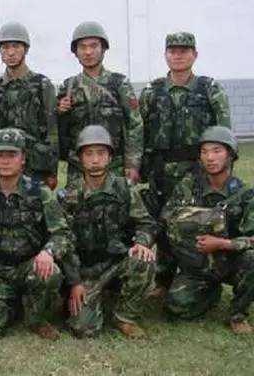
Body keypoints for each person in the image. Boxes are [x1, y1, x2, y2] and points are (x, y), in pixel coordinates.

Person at [0, 128, 71, 339]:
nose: (5, 161)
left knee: (50, 272)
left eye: (12, 155)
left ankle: (36, 319)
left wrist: (48, 252)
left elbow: (61, 233)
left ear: (23, 158)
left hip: (28, 266)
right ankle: (12, 306)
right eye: (0, 155)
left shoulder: (40, 192)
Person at [140, 32, 231, 295]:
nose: (178, 56)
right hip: (161, 170)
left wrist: (222, 170)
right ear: (165, 55)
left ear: (195, 54)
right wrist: (139, 166)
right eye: (173, 51)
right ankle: (163, 279)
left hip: (198, 170)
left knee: (199, 222)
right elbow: (139, 131)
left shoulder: (210, 89)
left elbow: (224, 134)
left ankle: (202, 277)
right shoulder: (152, 91)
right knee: (163, 222)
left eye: (184, 51)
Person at [59, 125, 156, 338]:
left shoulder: (125, 188)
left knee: (143, 259)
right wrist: (75, 282)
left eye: (101, 153)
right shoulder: (70, 196)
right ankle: (94, 297)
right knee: (84, 329)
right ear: (80, 159)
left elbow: (146, 223)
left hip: (117, 263)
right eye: (89, 154)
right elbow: (63, 240)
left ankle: (125, 317)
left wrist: (141, 242)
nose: (95, 160)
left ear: (110, 157)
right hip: (86, 270)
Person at [161, 126, 254, 334]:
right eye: (204, 152)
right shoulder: (188, 186)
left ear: (230, 155)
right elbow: (166, 216)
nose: (210, 158)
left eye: (216, 151)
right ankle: (210, 291)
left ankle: (238, 315)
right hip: (197, 265)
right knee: (175, 307)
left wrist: (222, 243)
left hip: (231, 262)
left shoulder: (245, 195)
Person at [57, 21, 143, 185]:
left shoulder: (119, 84)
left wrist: (132, 164)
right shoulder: (68, 87)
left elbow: (134, 125)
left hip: (114, 166)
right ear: (76, 52)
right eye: (82, 47)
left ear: (103, 49)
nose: (88, 52)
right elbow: (57, 130)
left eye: (93, 46)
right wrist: (61, 112)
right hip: (78, 168)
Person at [0, 22, 59, 189]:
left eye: (16, 46)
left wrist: (52, 170)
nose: (10, 52)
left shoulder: (42, 84)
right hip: (4, 164)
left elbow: (52, 130)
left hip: (35, 165)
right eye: (5, 48)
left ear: (25, 49)